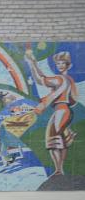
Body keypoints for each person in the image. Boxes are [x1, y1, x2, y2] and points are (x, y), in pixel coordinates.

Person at [25, 48, 78, 177]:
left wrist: (31, 64)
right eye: (58, 63)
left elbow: (40, 80)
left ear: (67, 65)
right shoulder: (67, 79)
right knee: (58, 140)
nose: (59, 65)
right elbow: (43, 77)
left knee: (53, 138)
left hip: (61, 110)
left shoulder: (60, 79)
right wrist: (34, 64)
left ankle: (59, 169)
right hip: (64, 110)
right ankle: (59, 168)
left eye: (62, 63)